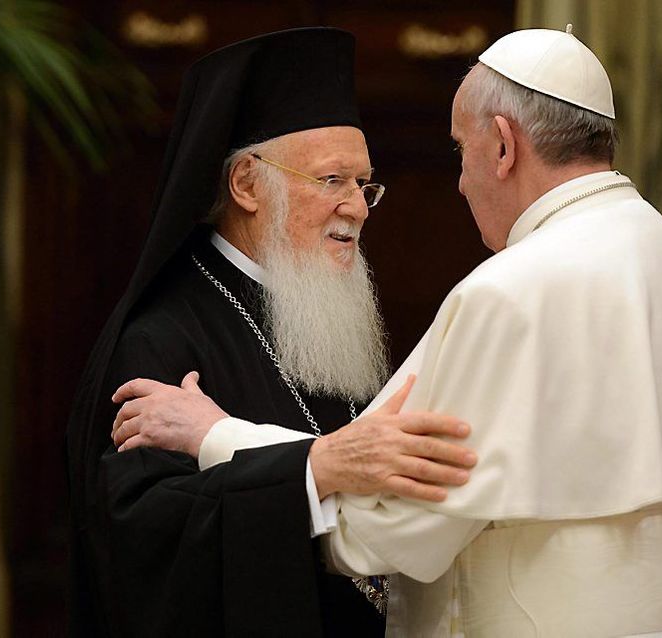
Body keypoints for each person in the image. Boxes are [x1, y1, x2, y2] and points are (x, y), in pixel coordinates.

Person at [113, 26, 662, 637]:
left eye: (460, 152)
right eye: (333, 179)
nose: (461, 183)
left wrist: (218, 436)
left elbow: (390, 531)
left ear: (503, 145)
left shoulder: (510, 292)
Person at [66, 28, 477, 638]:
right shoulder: (160, 341)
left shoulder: (323, 320)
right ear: (247, 185)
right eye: (332, 180)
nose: (359, 207)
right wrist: (313, 469)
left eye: (364, 184)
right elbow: (146, 538)